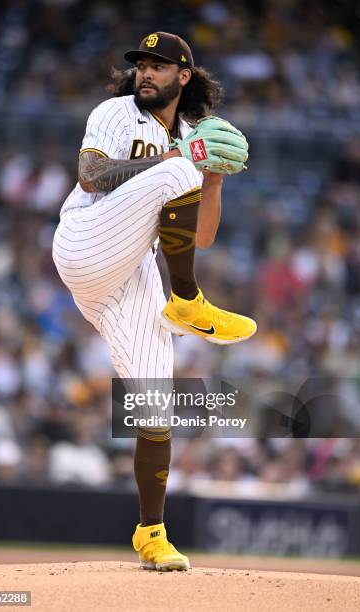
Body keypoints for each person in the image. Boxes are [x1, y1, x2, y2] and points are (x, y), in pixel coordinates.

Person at [52, 32, 256, 571]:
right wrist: (181, 160)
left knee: (155, 402)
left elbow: (203, 236)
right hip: (85, 240)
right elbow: (91, 177)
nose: (146, 72)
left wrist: (211, 178)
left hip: (131, 270)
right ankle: (187, 299)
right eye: (141, 64)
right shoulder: (117, 113)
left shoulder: (192, 137)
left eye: (159, 66)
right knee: (177, 167)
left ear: (183, 77)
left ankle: (151, 533)